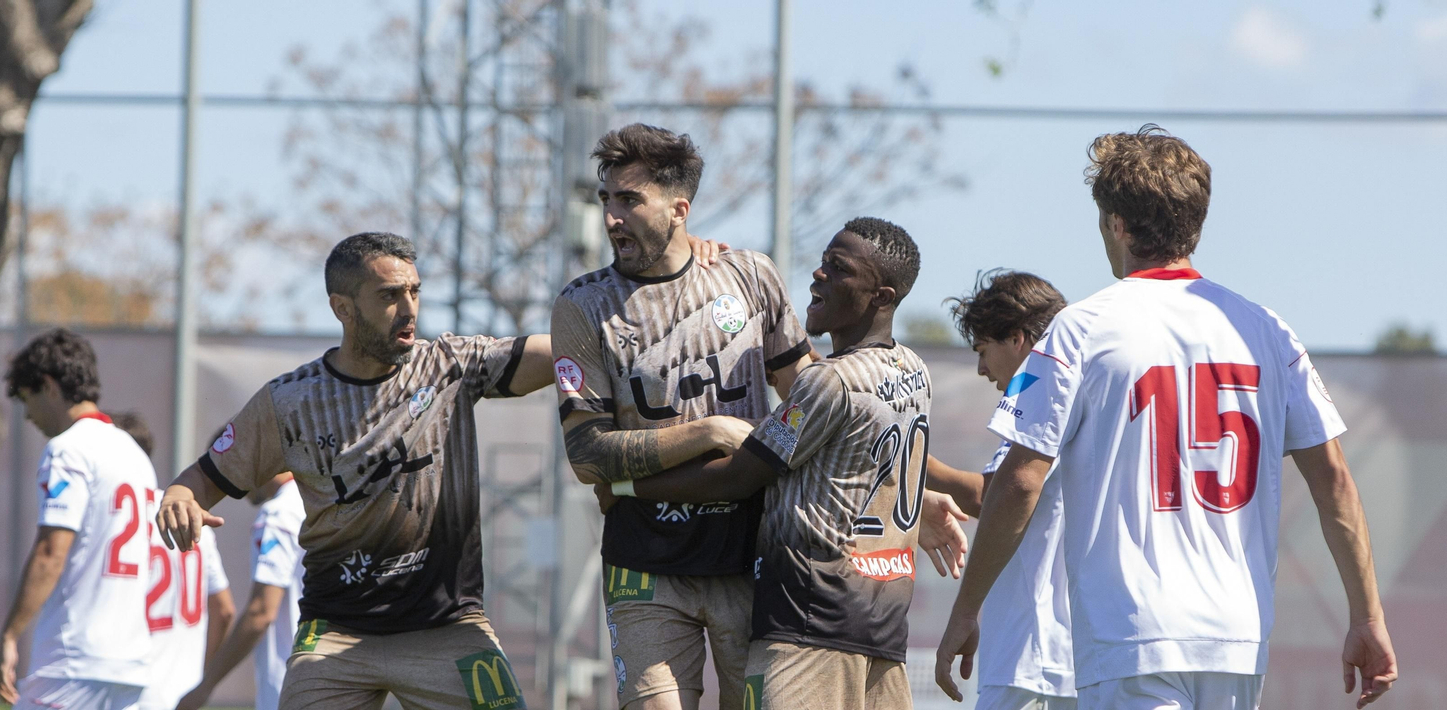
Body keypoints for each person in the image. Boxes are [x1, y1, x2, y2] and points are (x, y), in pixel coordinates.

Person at [934, 125, 1400, 710]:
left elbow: (1021, 480)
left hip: (1132, 636)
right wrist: (1368, 616)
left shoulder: (1080, 329)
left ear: (1118, 224)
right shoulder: (1268, 331)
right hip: (1237, 639)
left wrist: (967, 609)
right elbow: (1333, 480)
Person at [154, 232, 556, 710]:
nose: (409, 309)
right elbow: (200, 479)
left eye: (414, 292)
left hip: (446, 627)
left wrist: (602, 336)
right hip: (334, 633)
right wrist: (179, 496)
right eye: (389, 295)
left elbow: (558, 354)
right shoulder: (288, 403)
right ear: (342, 308)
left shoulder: (449, 365)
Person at [597, 218, 971, 709]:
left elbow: (738, 477)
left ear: (880, 297)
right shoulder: (913, 370)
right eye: (824, 261)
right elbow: (860, 468)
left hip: (810, 626)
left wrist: (624, 487)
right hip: (882, 629)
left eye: (839, 269)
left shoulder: (828, 381)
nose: (818, 274)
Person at [550, 123, 814, 710]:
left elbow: (810, 401)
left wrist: (912, 496)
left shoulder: (749, 275)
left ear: (679, 209)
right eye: (606, 199)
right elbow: (587, 454)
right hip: (643, 563)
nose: (611, 217)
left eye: (629, 200)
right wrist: (710, 431)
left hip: (753, 553)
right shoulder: (581, 305)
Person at [0, 329, 157, 710]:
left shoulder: (68, 450)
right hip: (130, 664)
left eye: (27, 399)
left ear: (49, 387)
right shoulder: (134, 453)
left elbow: (51, 553)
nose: (28, 415)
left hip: (75, 662)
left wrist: (10, 635)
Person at [940, 270, 1076, 710]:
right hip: (1074, 658)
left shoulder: (1047, 391)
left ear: (1018, 339)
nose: (981, 369)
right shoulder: (1087, 389)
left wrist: (909, 458)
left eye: (983, 351)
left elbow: (997, 494)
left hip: (1037, 656)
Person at [105, 413, 237, 710]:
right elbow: (225, 610)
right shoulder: (190, 517)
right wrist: (201, 679)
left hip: (129, 691)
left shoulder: (119, 516)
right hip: (183, 693)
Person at [175, 471, 306, 710]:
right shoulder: (316, 503)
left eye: (233, 467)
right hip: (323, 678)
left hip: (287, 685)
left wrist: (204, 687)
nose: (231, 484)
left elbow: (261, 612)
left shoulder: (279, 513)